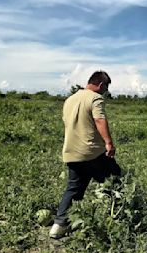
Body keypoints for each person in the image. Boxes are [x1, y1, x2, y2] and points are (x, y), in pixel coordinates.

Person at [49, 71, 121, 239]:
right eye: (106, 88)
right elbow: (99, 119)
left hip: (71, 152)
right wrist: (108, 143)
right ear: (101, 85)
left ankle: (58, 225)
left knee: (74, 189)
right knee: (116, 179)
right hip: (93, 152)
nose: (105, 92)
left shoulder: (70, 100)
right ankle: (119, 215)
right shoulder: (95, 98)